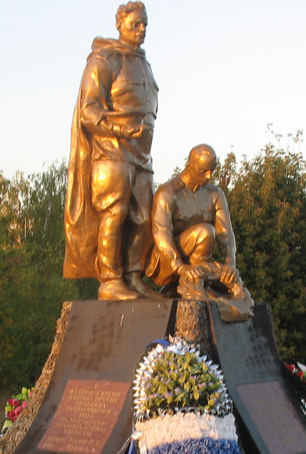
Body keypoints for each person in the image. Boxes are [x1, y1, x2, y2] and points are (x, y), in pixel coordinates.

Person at [63, 2, 160, 300]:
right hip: (111, 151)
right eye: (135, 24)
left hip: (141, 156)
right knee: (114, 213)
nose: (141, 30)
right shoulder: (104, 60)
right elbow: (88, 111)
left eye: (144, 24)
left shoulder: (143, 63)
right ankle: (109, 279)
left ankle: (133, 276)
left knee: (144, 217)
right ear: (120, 24)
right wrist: (121, 130)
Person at [147, 144, 253, 319]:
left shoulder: (216, 194)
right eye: (203, 171)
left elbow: (225, 233)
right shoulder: (168, 193)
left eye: (211, 171)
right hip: (166, 263)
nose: (208, 176)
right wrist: (180, 267)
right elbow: (161, 234)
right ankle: (193, 284)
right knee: (205, 232)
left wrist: (230, 264)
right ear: (189, 165)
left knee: (208, 232)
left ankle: (198, 285)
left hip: (199, 264)